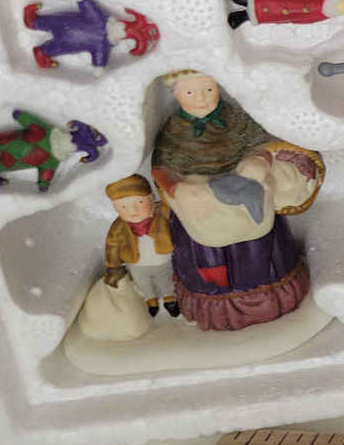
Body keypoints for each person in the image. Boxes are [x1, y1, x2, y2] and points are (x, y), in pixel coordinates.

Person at [151, 69, 322, 331]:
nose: (201, 98)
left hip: (245, 193)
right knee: (212, 258)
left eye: (208, 90)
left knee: (258, 249)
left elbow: (262, 142)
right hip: (204, 207)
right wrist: (177, 189)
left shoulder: (236, 118)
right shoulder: (173, 130)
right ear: (176, 94)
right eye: (190, 92)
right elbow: (162, 167)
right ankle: (219, 309)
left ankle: (270, 299)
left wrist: (259, 160)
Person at [102, 174, 177, 318]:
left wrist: (161, 185)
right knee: (143, 284)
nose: (133, 210)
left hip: (163, 261)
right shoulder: (119, 226)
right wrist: (113, 267)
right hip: (137, 264)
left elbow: (170, 203)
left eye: (140, 202)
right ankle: (151, 301)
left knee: (166, 281)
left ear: (151, 198)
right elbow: (112, 245)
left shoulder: (161, 213)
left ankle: (170, 300)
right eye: (123, 206)